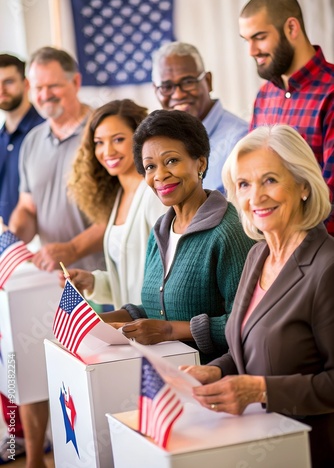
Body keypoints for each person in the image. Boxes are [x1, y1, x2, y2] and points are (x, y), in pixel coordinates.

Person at [181, 125, 334, 467]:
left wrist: (259, 391)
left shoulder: (327, 268)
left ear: (304, 186)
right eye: (244, 184)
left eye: (270, 180)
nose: (255, 197)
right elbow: (250, 350)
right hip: (255, 447)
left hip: (310, 451)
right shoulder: (257, 255)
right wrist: (217, 372)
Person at [8, 46, 105, 468]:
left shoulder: (101, 130)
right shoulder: (32, 139)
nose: (44, 95)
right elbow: (29, 207)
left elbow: (116, 215)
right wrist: (12, 237)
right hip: (47, 277)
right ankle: (33, 461)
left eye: (53, 86)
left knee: (89, 378)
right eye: (37, 87)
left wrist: (71, 249)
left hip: (99, 277)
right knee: (32, 371)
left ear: (76, 83)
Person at [100, 109, 255, 364]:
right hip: (163, 377)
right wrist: (98, 321)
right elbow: (158, 311)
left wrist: (169, 330)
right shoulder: (161, 230)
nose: (160, 175)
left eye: (171, 161)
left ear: (201, 163)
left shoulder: (229, 231)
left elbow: (247, 322)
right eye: (150, 166)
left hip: (212, 382)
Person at [239, 0, 334, 235]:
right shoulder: (264, 96)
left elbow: (330, 193)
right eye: (246, 40)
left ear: (292, 28)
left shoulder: (331, 91)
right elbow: (249, 175)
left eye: (259, 37)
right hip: (271, 246)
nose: (251, 51)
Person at [62, 99, 167, 309]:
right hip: (132, 329)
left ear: (140, 139)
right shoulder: (120, 195)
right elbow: (129, 279)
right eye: (99, 142)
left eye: (118, 139)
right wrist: (92, 282)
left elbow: (170, 275)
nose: (107, 151)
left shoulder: (155, 195)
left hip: (156, 329)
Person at [0, 54, 44, 464]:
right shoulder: (2, 135)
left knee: (32, 361)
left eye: (9, 81)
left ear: (25, 84)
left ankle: (38, 446)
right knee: (11, 354)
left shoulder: (39, 133)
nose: (2, 90)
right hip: (9, 256)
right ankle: (15, 440)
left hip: (38, 261)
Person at [151, 41, 248, 192]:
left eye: (188, 82)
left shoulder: (241, 140)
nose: (178, 94)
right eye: (166, 87)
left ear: (208, 81)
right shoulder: (161, 141)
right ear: (155, 90)